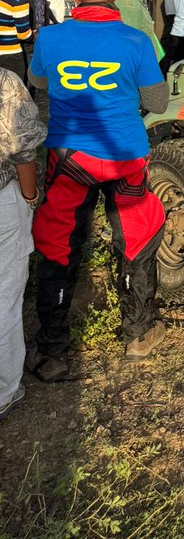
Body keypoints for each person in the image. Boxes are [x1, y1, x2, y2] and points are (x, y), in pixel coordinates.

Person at [26, 0, 169, 381]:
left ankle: (53, 352)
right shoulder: (136, 39)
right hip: (124, 153)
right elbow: (158, 102)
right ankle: (139, 334)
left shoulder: (50, 37)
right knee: (136, 233)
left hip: (70, 157)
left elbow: (39, 84)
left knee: (58, 243)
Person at [0, 68, 44, 419]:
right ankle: (4, 391)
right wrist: (30, 197)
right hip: (2, 203)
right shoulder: (5, 83)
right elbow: (23, 151)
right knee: (5, 296)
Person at [0, 0, 34, 83]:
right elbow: (24, 34)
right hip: (10, 54)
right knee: (15, 90)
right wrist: (34, 34)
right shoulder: (19, 0)